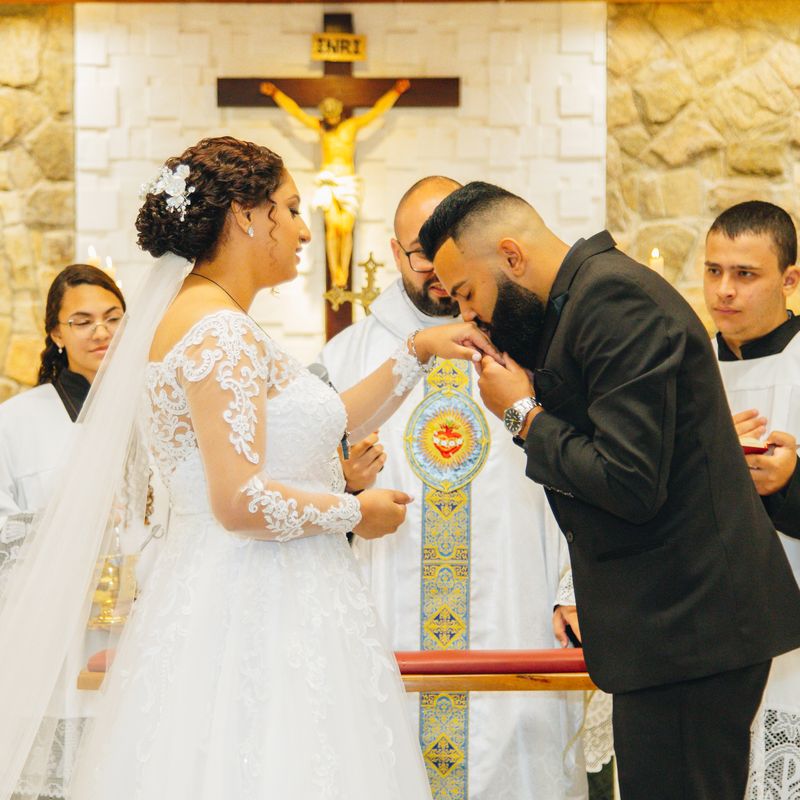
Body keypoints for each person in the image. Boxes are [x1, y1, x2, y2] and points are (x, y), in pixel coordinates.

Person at [0, 137, 501, 800]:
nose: (303, 230)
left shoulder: (207, 317)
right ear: (244, 215)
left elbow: (325, 419)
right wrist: (356, 512)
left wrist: (418, 349)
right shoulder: (219, 331)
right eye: (290, 209)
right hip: (259, 602)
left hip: (232, 586)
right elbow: (238, 501)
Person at [417, 181, 800, 800]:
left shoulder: (613, 299)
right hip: (672, 628)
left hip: (691, 626)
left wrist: (522, 415)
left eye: (466, 293)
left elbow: (628, 481)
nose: (468, 315)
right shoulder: (579, 303)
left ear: (511, 256)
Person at [320, 176, 587, 800]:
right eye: (422, 253)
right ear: (395, 253)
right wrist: (347, 495)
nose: (439, 271)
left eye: (449, 250)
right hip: (386, 610)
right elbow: (293, 492)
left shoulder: (534, 340)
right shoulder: (345, 358)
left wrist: (574, 588)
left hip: (517, 606)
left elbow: (580, 467)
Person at [0, 264, 125, 798]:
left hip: (136, 628)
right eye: (82, 321)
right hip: (53, 635)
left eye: (113, 318)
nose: (100, 332)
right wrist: (77, 525)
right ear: (55, 332)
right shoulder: (17, 422)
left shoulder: (159, 412)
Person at [703, 200, 800, 798]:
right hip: (703, 633)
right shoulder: (680, 366)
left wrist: (789, 482)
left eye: (745, 274)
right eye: (714, 270)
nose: (724, 290)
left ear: (790, 279)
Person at [260, 79, 410, 287]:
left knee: (346, 228)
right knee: (332, 228)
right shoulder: (321, 128)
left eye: (333, 116)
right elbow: (296, 113)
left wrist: (395, 92)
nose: (330, 119)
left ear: (339, 113)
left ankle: (343, 273)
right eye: (327, 116)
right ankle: (336, 271)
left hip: (347, 181)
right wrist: (276, 93)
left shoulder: (351, 126)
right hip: (329, 181)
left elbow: (377, 111)